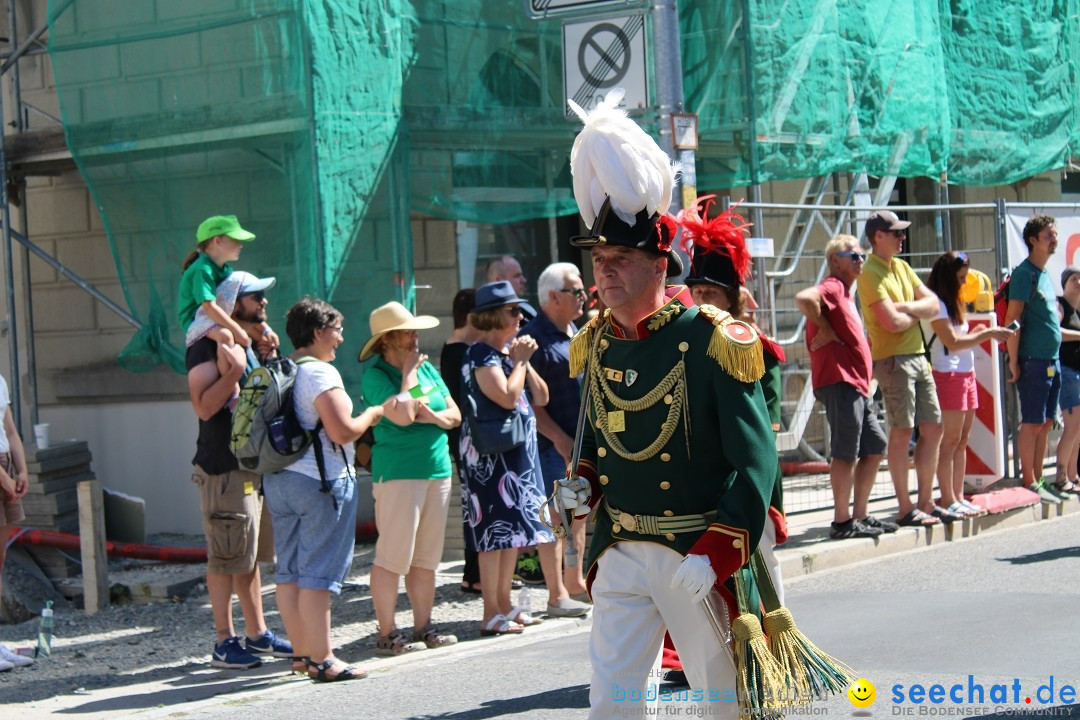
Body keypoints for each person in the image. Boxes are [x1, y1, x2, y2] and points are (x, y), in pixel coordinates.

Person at [556, 92, 777, 719]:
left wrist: (718, 551)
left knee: (723, 701)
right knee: (613, 703)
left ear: (660, 263)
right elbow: (602, 446)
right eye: (598, 261)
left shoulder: (712, 339)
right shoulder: (594, 344)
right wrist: (582, 486)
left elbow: (755, 462)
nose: (604, 273)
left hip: (695, 550)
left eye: (620, 259)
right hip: (621, 547)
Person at [262, 298, 386, 682]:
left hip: (279, 480)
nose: (342, 337)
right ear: (318, 332)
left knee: (289, 571)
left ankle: (302, 654)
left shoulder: (281, 368)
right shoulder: (319, 373)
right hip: (320, 482)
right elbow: (342, 431)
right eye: (337, 329)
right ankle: (323, 658)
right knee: (318, 574)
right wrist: (372, 414)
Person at [185, 271, 292, 670]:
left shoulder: (241, 344)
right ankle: (223, 641)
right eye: (255, 296)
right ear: (233, 302)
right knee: (224, 556)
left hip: (250, 467)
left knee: (246, 558)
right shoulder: (204, 347)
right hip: (222, 469)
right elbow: (204, 407)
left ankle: (257, 633)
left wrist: (264, 361)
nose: (264, 302)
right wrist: (231, 373)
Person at [359, 302, 462, 654]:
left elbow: (454, 415)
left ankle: (424, 627)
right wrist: (409, 378)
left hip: (437, 468)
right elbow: (404, 416)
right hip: (399, 473)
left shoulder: (426, 369)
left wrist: (429, 415)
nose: (416, 336)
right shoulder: (376, 376)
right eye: (408, 331)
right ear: (387, 340)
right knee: (393, 557)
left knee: (425, 558)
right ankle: (387, 633)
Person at [458, 280, 554, 635]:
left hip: (514, 458)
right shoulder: (481, 354)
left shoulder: (504, 355)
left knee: (511, 534)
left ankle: (504, 606)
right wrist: (520, 363)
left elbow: (541, 397)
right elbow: (506, 398)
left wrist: (522, 363)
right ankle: (490, 613)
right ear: (494, 316)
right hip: (491, 459)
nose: (520, 316)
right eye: (513, 311)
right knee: (492, 534)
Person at [796, 235, 895, 539]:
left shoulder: (846, 293)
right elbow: (804, 298)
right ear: (834, 261)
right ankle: (842, 521)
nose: (860, 259)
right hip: (840, 381)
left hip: (855, 384)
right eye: (852, 255)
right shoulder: (833, 287)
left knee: (875, 446)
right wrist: (825, 328)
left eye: (862, 255)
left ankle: (859, 515)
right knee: (845, 451)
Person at [856, 210, 947, 526]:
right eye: (896, 233)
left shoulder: (903, 267)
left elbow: (934, 305)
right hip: (893, 360)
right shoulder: (869, 273)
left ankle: (926, 501)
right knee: (903, 430)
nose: (902, 238)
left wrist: (906, 308)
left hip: (918, 356)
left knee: (933, 427)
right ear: (878, 237)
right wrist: (914, 313)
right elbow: (889, 323)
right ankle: (906, 508)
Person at [519, 263, 592, 608]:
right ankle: (556, 594)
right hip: (551, 446)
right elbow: (530, 402)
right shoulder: (535, 338)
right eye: (575, 291)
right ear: (552, 297)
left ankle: (573, 581)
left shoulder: (574, 330)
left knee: (576, 513)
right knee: (554, 518)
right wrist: (560, 438)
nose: (584, 296)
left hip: (576, 445)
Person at [923, 252, 1014, 517]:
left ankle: (958, 497)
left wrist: (975, 335)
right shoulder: (937, 303)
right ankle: (947, 498)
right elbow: (951, 342)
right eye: (961, 278)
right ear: (948, 278)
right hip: (948, 375)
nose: (965, 283)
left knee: (962, 440)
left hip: (965, 373)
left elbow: (959, 339)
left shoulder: (953, 302)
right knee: (949, 440)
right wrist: (986, 333)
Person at [1004, 216, 1078, 503]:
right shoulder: (1025, 274)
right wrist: (1013, 360)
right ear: (1033, 240)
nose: (1055, 239)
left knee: (1046, 423)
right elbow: (1012, 319)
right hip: (1033, 360)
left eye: (1056, 235)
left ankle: (1039, 479)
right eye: (1049, 235)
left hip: (1052, 359)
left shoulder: (1045, 273)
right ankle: (1029, 480)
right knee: (1033, 423)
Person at [439, 289, 483, 593]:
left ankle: (474, 571)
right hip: (467, 439)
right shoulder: (460, 351)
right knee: (475, 505)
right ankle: (475, 572)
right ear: (471, 316)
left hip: (465, 437)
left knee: (473, 504)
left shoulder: (459, 348)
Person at [0, 373, 32, 671]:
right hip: (1, 472)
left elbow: (10, 431)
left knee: (1, 557)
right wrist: (6, 479)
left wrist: (22, 471)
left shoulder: (0, 380)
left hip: (5, 462)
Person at [1054, 266, 1080, 495]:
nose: (1079, 282)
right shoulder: (1059, 304)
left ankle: (1073, 475)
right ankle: (1061, 477)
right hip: (1068, 372)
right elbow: (1056, 331)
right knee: (1072, 427)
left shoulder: (1079, 308)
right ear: (1065, 283)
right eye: (1074, 279)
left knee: (1078, 429)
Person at [485, 255, 536, 322]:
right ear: (498, 281)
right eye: (517, 276)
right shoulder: (483, 318)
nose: (524, 280)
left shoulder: (527, 311)